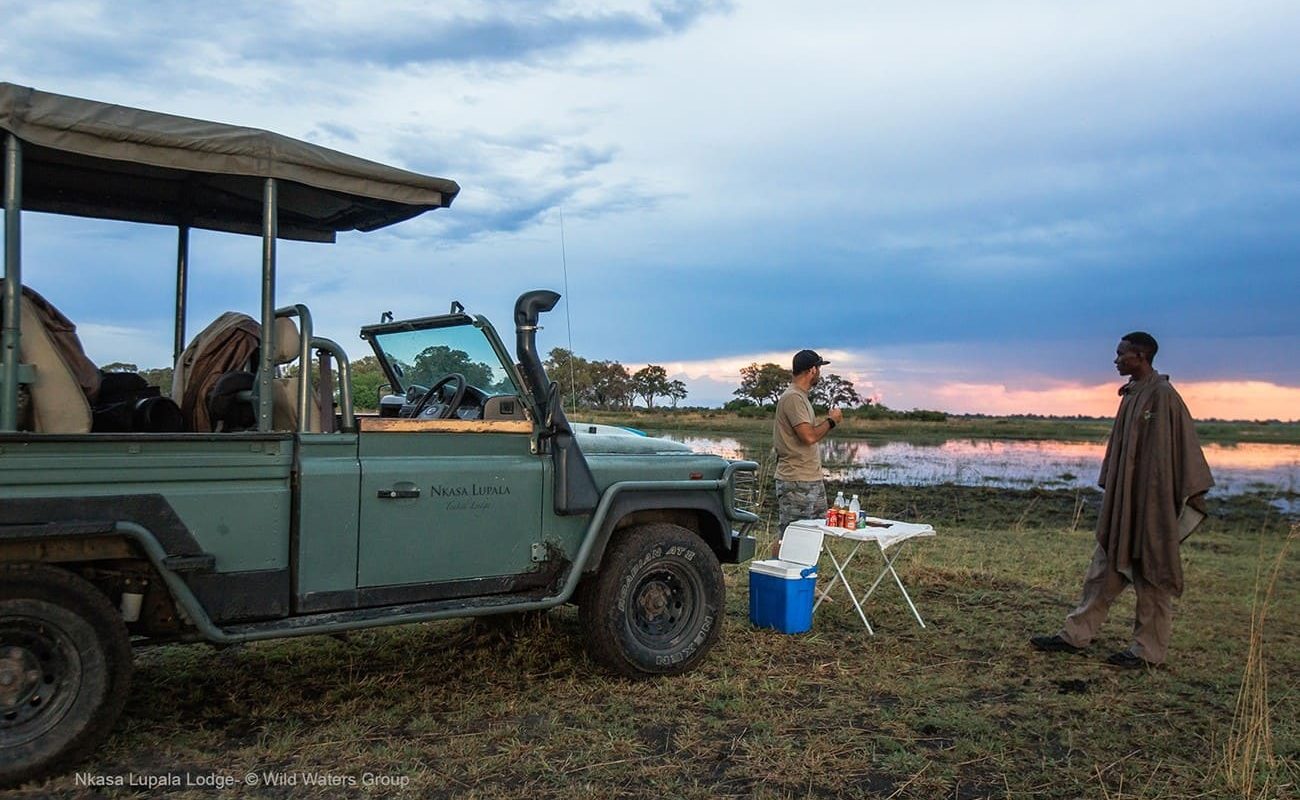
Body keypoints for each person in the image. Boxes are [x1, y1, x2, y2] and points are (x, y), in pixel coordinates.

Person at [1031, 332, 1213, 668]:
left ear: (1141, 356)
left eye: (1121, 355)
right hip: (1125, 503)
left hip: (1152, 506)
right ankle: (1075, 635)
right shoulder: (1130, 394)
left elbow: (1174, 455)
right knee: (1103, 568)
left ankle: (1147, 652)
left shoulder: (1163, 396)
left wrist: (1158, 500)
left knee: (1152, 574)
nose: (1115, 360)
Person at [771, 349, 843, 554]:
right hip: (796, 480)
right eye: (819, 368)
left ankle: (803, 582)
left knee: (813, 535)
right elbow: (808, 436)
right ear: (812, 370)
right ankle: (777, 581)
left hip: (810, 478)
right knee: (790, 537)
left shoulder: (800, 397)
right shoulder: (793, 398)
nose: (819, 372)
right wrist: (832, 421)